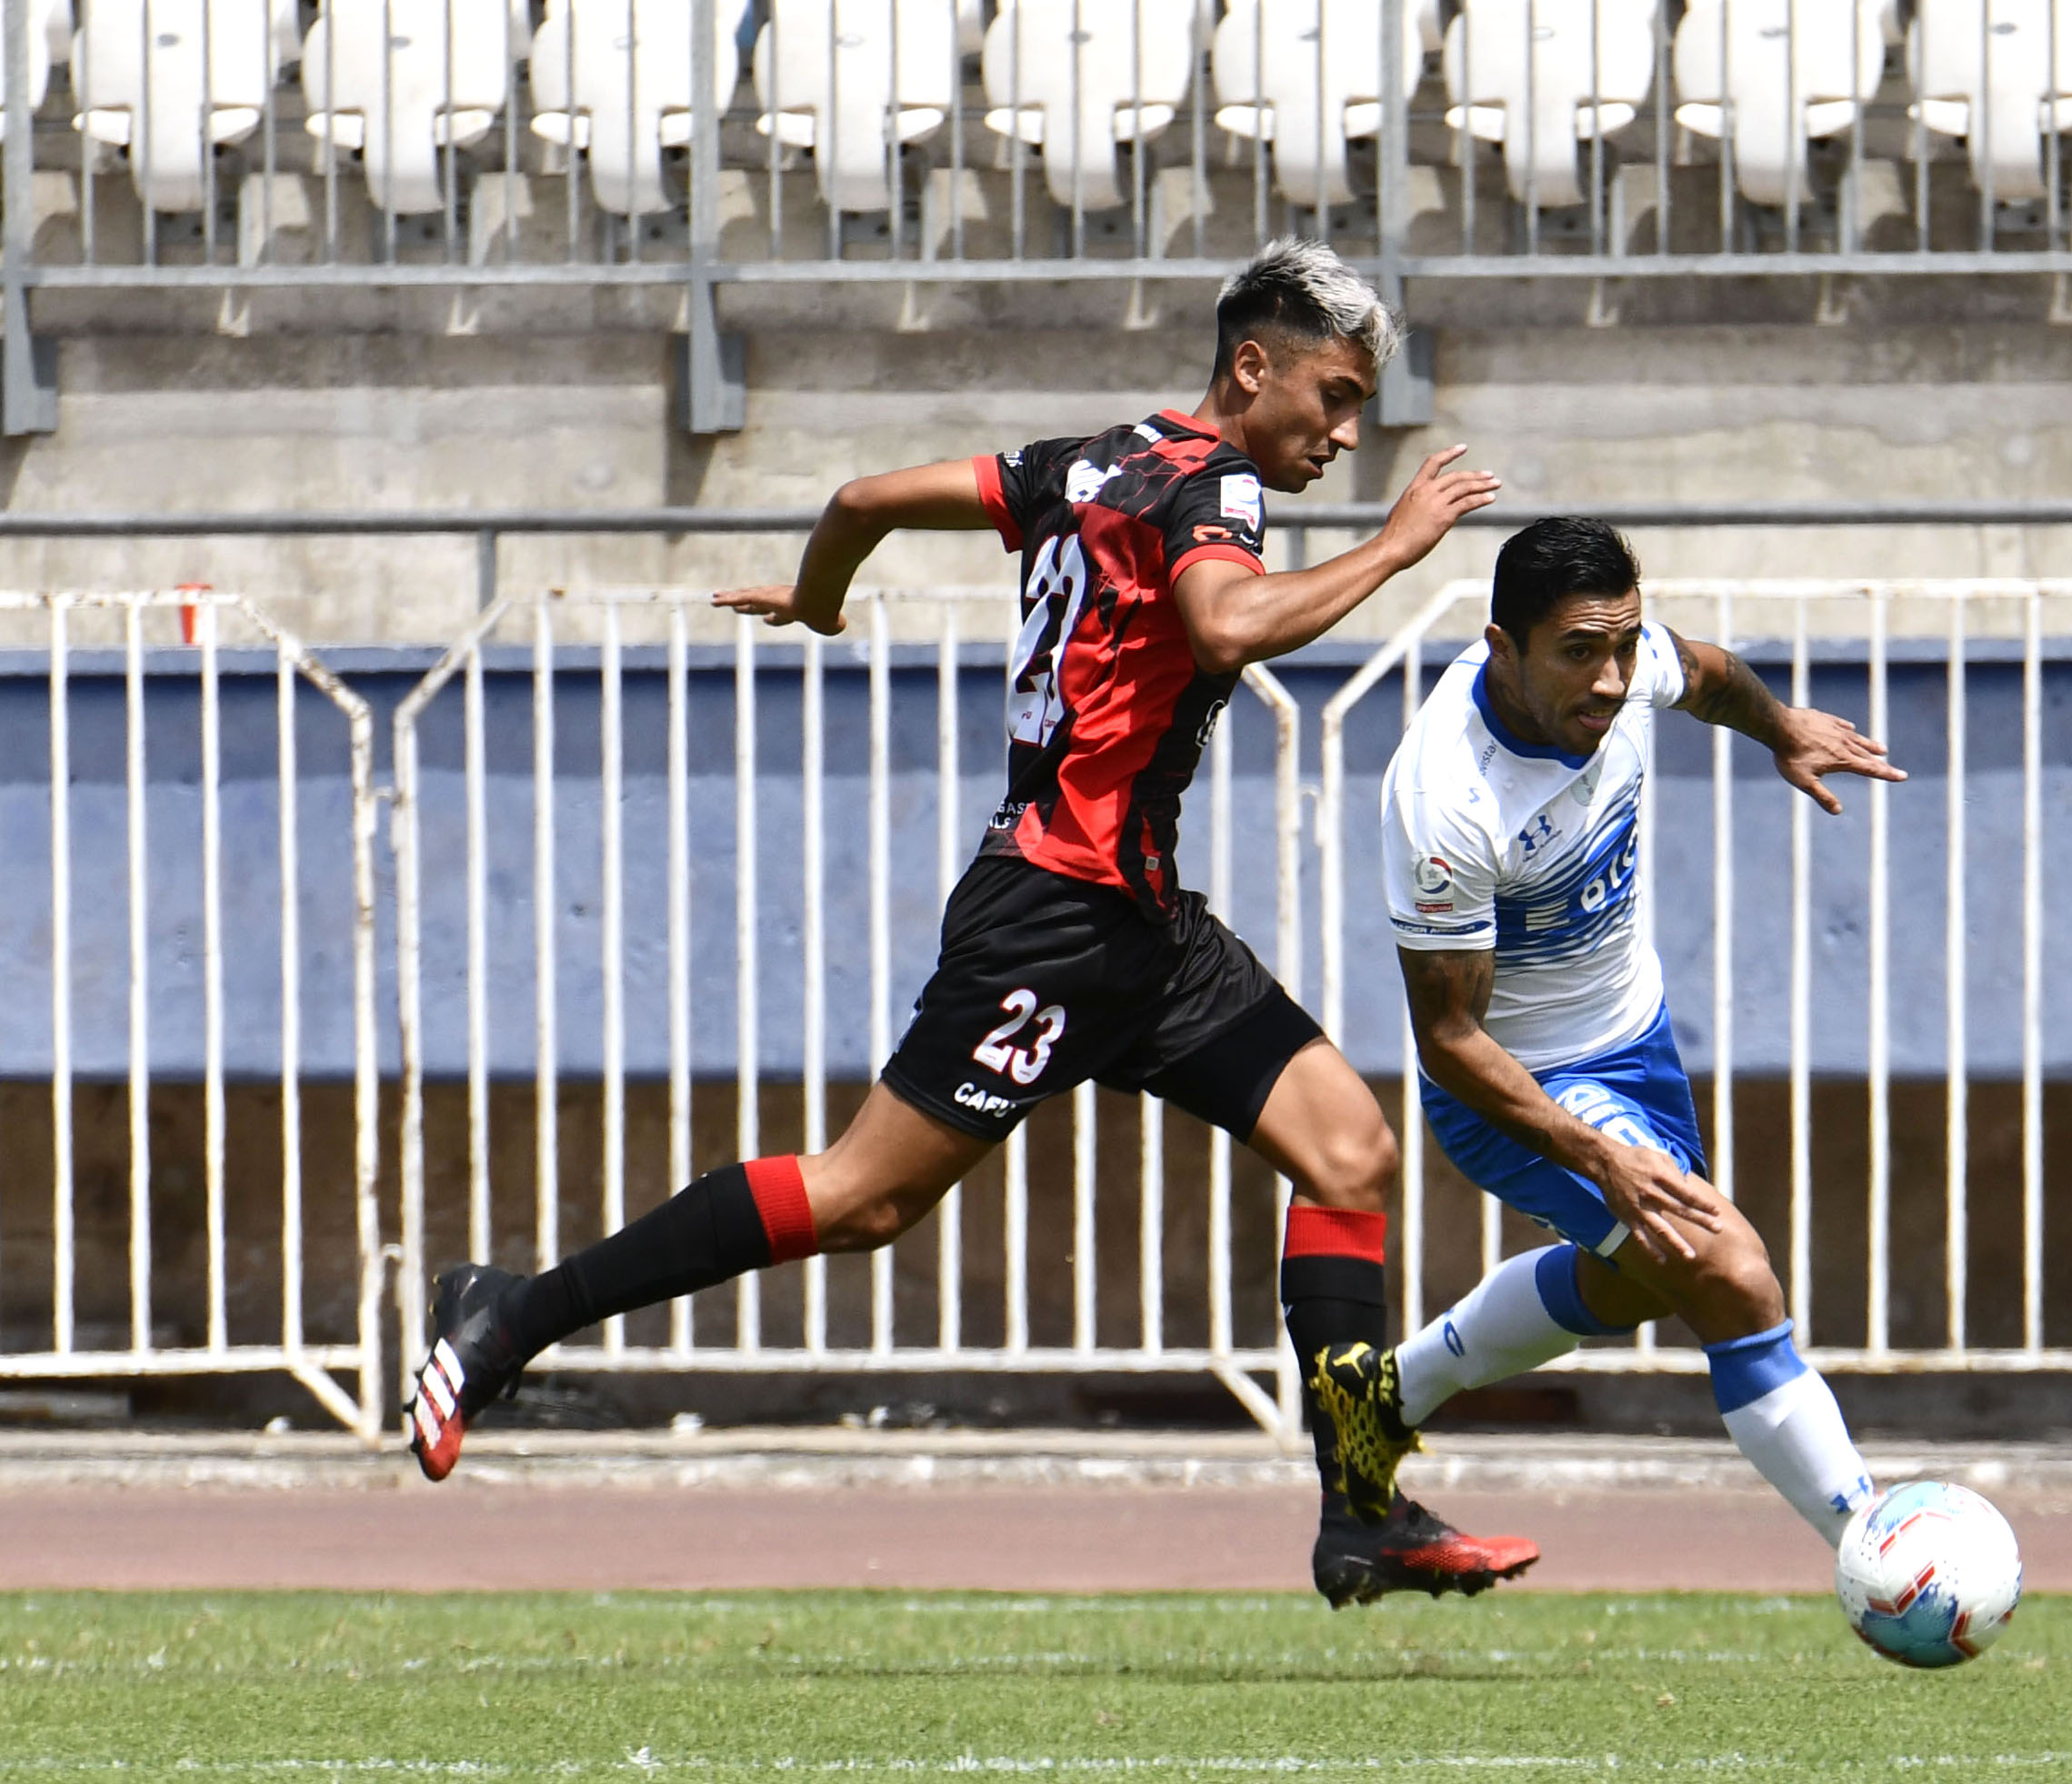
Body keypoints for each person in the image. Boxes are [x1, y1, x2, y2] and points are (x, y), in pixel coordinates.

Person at [404, 239, 1535, 1608]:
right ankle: (511, 1313)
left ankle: (1361, 1511)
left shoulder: (1083, 461)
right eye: (1335, 394)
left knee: (1347, 1148)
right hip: (1053, 917)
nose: (1346, 433)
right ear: (1251, 369)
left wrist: (818, 599)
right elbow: (1228, 628)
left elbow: (864, 495)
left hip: (1146, 927)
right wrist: (1401, 543)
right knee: (859, 1197)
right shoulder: (1212, 483)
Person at [1312, 516, 1906, 1551]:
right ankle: (1879, 1550)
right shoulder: (1446, 798)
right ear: (1503, 648)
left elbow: (1708, 673)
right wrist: (1600, 1156)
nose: (1611, 677)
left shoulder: (1626, 667)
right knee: (1726, 1268)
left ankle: (1386, 1396)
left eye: (1624, 644)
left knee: (1634, 1280)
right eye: (1579, 652)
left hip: (1639, 1042)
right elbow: (1450, 1037)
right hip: (1518, 1084)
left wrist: (1783, 728)